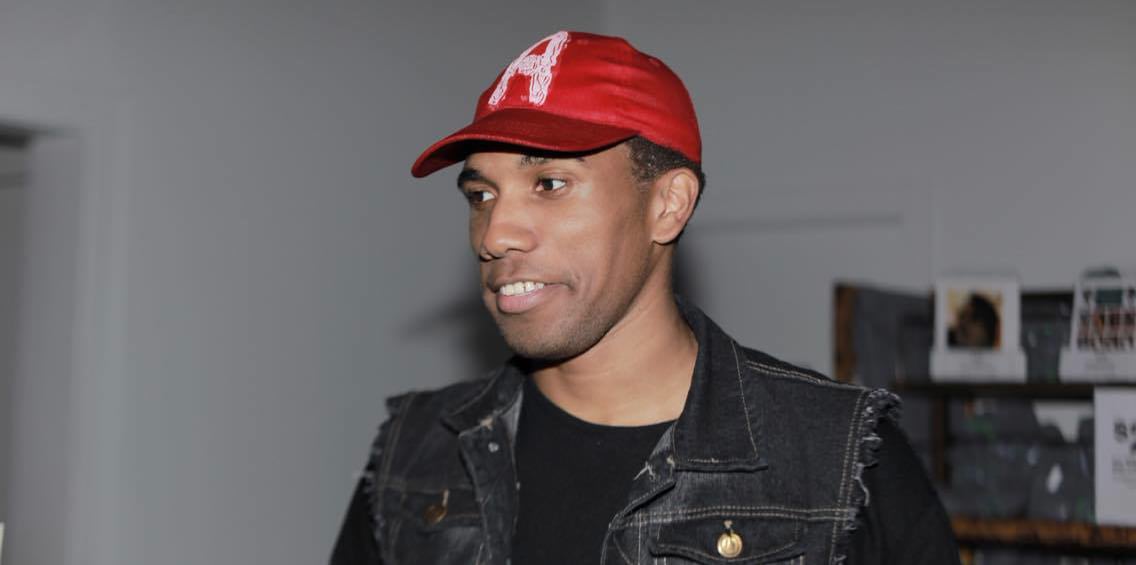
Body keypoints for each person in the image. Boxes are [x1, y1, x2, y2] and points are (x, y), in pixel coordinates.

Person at [330, 31, 959, 564]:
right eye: (481, 196)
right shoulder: (417, 452)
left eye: (549, 184)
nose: (494, 235)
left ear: (668, 205)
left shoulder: (838, 458)